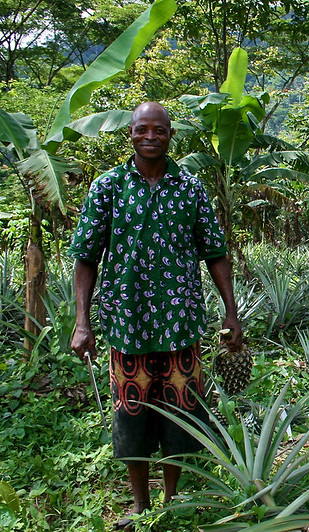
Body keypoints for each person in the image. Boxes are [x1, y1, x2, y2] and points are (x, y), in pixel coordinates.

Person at [69, 102, 242, 529]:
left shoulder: (191, 187)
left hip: (180, 324)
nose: (150, 137)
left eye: (159, 130)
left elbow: (215, 253)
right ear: (130, 134)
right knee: (132, 417)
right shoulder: (108, 187)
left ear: (170, 135)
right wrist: (82, 321)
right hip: (128, 327)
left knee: (182, 417)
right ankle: (141, 505)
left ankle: (172, 499)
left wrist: (231, 311)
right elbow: (86, 258)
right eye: (142, 130)